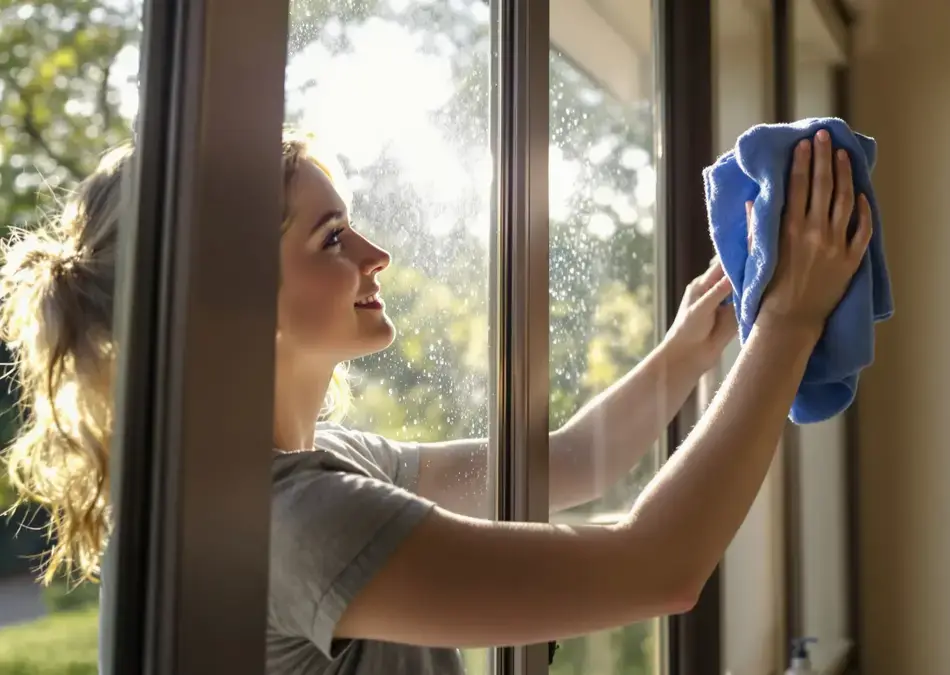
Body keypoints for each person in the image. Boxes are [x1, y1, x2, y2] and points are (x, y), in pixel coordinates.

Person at [0, 127, 870, 674]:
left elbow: (566, 461)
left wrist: (690, 348)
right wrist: (788, 326)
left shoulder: (329, 466)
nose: (376, 255)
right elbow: (659, 570)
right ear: (228, 297)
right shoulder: (296, 524)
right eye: (333, 237)